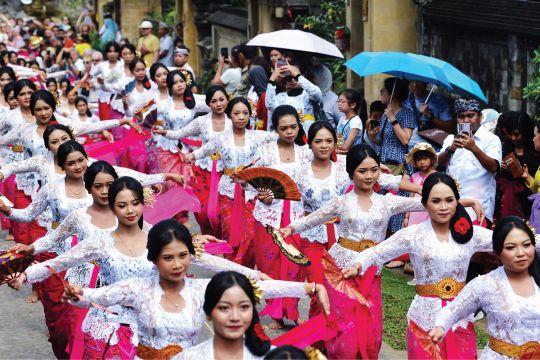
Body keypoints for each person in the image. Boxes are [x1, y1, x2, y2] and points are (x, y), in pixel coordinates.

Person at [281, 146, 483, 359]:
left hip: (371, 272)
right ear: (351, 173)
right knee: (344, 326)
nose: (369, 176)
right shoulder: (341, 202)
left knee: (371, 325)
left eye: (373, 170)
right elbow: (314, 218)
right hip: (340, 271)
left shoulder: (387, 202)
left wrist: (467, 202)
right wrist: (290, 228)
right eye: (362, 171)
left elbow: (428, 203)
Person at [59, 218, 328, 358]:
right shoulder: (136, 288)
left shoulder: (201, 289)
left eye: (183, 256)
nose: (177, 265)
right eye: (168, 258)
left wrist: (308, 288)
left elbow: (254, 288)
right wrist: (77, 295)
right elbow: (94, 297)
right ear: (152, 258)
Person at [344, 173, 496, 359]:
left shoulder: (470, 234)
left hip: (459, 315)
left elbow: (512, 241)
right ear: (425, 204)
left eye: (449, 200)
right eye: (436, 201)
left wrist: (527, 236)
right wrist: (358, 264)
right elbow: (376, 252)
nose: (443, 207)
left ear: (457, 202)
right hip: (423, 316)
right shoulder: (413, 234)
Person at [185, 97, 277, 267]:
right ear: (230, 115)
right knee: (230, 233)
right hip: (228, 190)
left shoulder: (259, 137)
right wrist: (191, 156)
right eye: (236, 113)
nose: (241, 117)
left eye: (245, 113)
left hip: (251, 191)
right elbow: (205, 150)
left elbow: (283, 136)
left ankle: (246, 271)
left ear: (250, 115)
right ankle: (232, 270)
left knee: (250, 235)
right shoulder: (221, 138)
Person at [431, 216, 540, 359]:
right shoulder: (485, 284)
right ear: (497, 252)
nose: (521, 253)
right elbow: (452, 311)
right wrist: (440, 327)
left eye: (526, 245)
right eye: (510, 247)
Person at [180, 271, 330, 359]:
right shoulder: (189, 357)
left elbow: (271, 288)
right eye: (224, 308)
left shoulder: (271, 356)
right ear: (208, 312)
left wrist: (316, 288)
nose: (235, 317)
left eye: (244, 307)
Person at [251, 105, 309, 329]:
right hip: (268, 215)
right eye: (283, 128)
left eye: (293, 127)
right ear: (275, 129)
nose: (289, 132)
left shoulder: (306, 152)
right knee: (270, 263)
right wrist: (261, 195)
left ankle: (292, 312)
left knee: (295, 263)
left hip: (296, 214)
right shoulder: (265, 152)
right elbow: (250, 180)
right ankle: (275, 312)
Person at [153, 85, 228, 236]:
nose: (218, 104)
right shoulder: (202, 121)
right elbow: (180, 133)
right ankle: (209, 241)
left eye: (222, 99)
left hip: (226, 172)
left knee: (224, 211)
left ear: (228, 100)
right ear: (208, 104)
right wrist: (164, 132)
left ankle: (224, 242)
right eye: (214, 101)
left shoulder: (235, 120)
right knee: (202, 212)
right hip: (203, 171)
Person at [438, 99, 502, 226]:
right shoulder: (451, 139)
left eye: (470, 116)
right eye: (461, 116)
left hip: (479, 207)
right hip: (452, 206)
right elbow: (440, 163)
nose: (466, 120)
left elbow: (494, 167)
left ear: (480, 117)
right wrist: (450, 149)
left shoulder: (491, 140)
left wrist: (474, 148)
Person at [495, 111, 537, 219]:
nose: (513, 138)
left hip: (527, 201)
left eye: (517, 134)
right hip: (504, 201)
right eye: (510, 134)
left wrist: (516, 171)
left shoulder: (535, 152)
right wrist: (500, 167)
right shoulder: (503, 149)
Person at [265, 59, 322, 134]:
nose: (293, 80)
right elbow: (270, 105)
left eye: (294, 77)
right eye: (289, 78)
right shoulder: (280, 97)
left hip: (310, 136)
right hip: (290, 137)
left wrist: (297, 75)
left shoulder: (308, 94)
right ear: (284, 80)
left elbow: (316, 93)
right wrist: (272, 78)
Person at [405, 80, 454, 149]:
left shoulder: (439, 100)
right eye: (412, 81)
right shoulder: (405, 101)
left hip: (433, 148)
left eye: (419, 82)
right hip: (411, 148)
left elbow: (449, 127)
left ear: (426, 82)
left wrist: (429, 115)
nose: (415, 85)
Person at [336, 88, 364, 154]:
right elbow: (339, 140)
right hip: (341, 154)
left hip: (353, 155)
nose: (339, 104)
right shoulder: (341, 119)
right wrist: (338, 147)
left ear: (353, 105)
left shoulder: (356, 121)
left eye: (343, 102)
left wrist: (338, 147)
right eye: (339, 101)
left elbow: (346, 147)